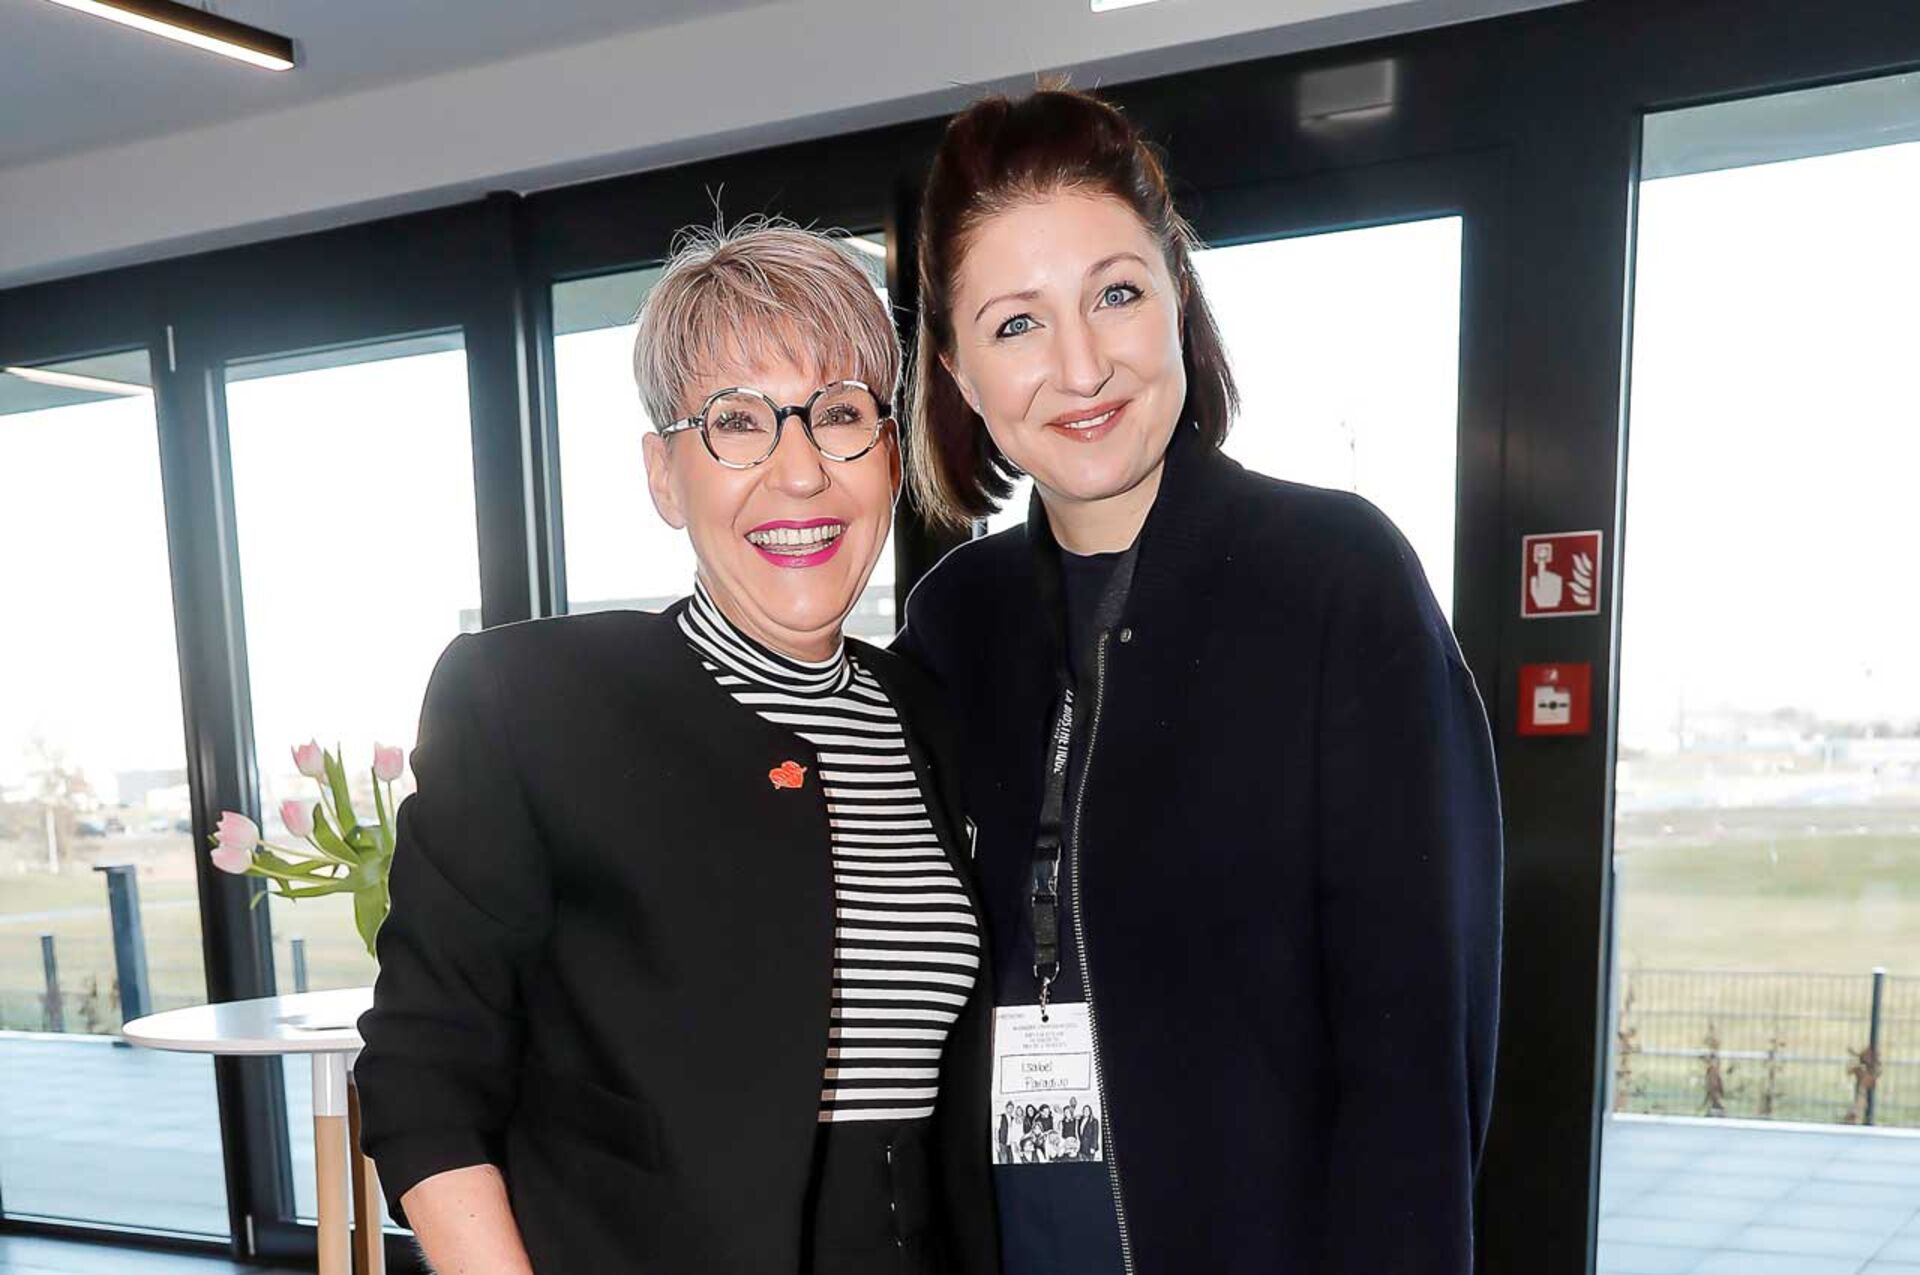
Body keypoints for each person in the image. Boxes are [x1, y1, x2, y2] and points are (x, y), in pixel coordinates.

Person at [895, 85, 1503, 1273]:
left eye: (1116, 293)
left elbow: (1418, 1057)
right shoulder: (952, 626)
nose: (1081, 366)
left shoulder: (1335, 580)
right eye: (1016, 325)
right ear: (958, 371)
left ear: (1178, 295)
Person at [355, 221, 997, 1275]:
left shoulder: (929, 714)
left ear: (890, 452)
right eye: (737, 422)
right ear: (664, 474)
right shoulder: (533, 705)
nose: (800, 472)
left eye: (840, 413)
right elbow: (424, 1073)